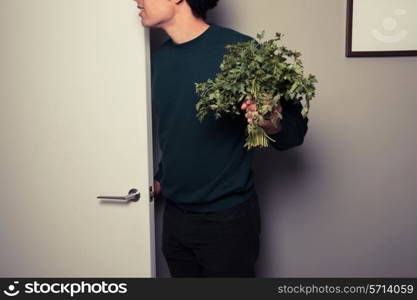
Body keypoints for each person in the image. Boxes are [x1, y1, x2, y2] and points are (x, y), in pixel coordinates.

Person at [134, 0, 308, 277]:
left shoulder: (243, 52)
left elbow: (294, 132)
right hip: (175, 218)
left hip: (227, 222)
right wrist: (160, 177)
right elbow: (179, 128)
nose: (136, 0)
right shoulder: (157, 60)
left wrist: (271, 122)